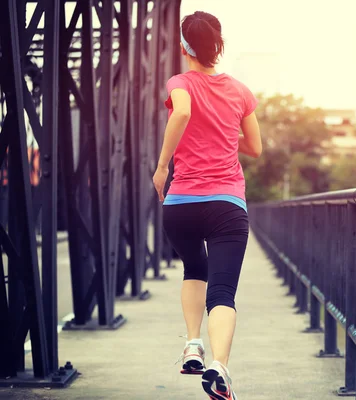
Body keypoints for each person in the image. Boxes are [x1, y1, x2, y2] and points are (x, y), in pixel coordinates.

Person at [152, 10, 262, 400]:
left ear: (185, 47)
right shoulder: (241, 91)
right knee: (222, 292)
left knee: (193, 267)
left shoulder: (179, 82)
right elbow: (255, 147)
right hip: (227, 205)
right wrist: (226, 135)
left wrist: (163, 166)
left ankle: (192, 345)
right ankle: (219, 367)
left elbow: (181, 110)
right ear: (219, 46)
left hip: (181, 203)